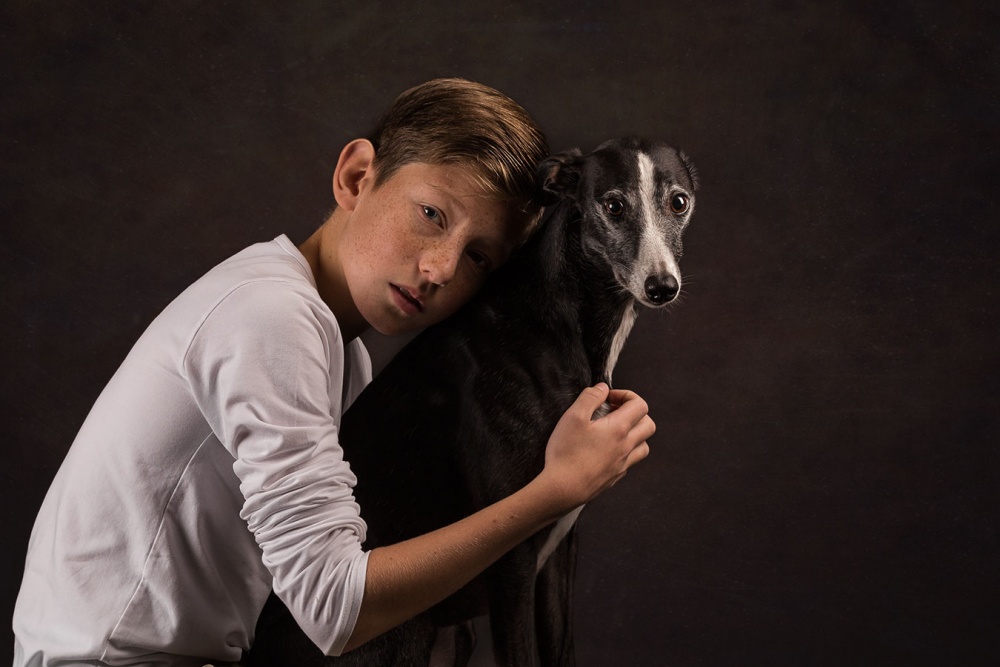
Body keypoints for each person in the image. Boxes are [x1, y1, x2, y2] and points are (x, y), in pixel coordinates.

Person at [13, 78, 654, 666]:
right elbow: (334, 608)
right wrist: (554, 491)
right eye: (431, 215)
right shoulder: (272, 318)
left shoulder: (337, 351)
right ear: (355, 178)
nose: (439, 269)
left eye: (478, 257)